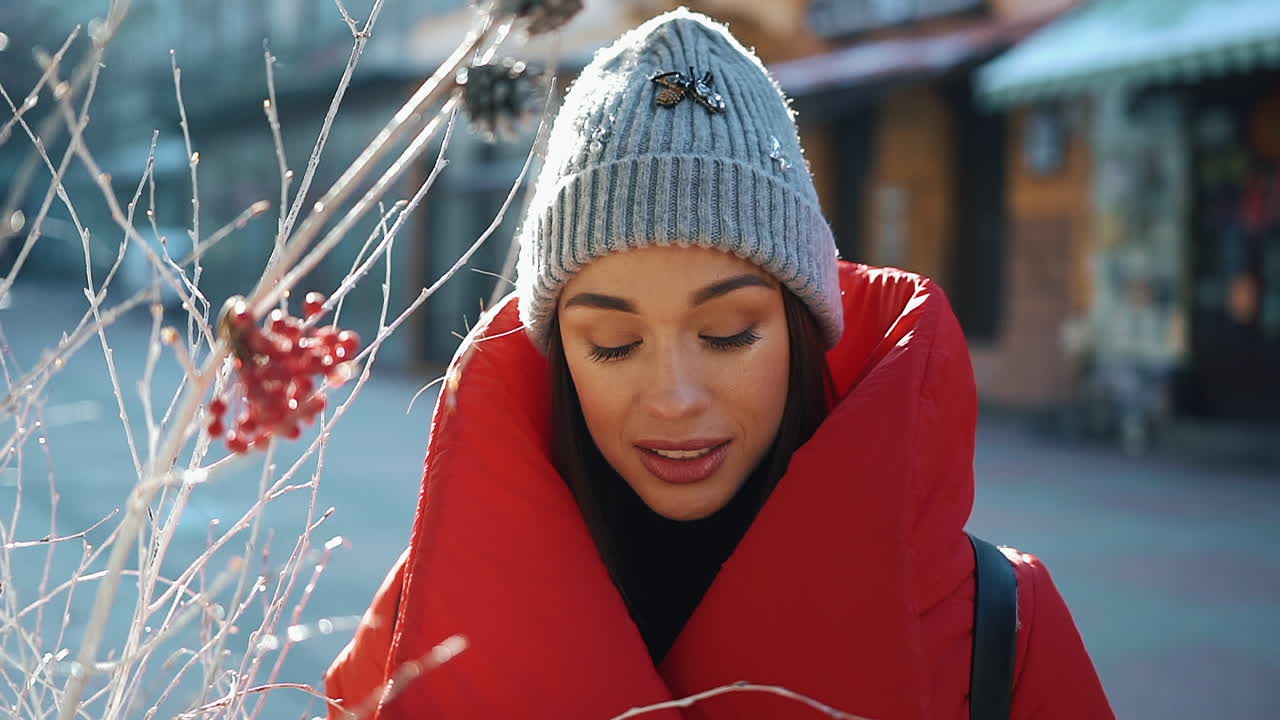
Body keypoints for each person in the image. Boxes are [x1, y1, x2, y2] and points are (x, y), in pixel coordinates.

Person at [324, 9, 1114, 719]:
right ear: (559, 352)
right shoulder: (433, 609)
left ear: (803, 328)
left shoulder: (999, 625)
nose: (674, 397)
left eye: (731, 332)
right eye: (613, 344)